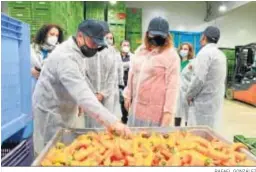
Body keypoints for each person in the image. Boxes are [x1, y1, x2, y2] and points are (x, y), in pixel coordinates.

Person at [33, 19, 131, 154]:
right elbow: (83, 94)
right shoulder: (65, 57)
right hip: (51, 112)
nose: (95, 48)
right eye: (93, 43)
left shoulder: (78, 52)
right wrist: (113, 122)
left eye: (98, 44)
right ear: (80, 36)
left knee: (66, 151)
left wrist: (79, 101)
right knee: (50, 152)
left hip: (65, 107)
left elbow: (80, 81)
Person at [123, 17, 180, 127]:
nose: (157, 38)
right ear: (147, 34)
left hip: (155, 112)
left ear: (167, 36)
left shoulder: (171, 56)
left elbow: (172, 88)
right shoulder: (141, 51)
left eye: (160, 36)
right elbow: (132, 73)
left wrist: (168, 114)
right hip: (136, 108)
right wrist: (127, 95)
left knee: (151, 141)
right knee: (134, 141)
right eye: (154, 35)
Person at [180, 26, 227, 130]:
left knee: (197, 135)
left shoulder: (204, 53)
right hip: (214, 102)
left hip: (202, 104)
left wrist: (189, 95)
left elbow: (198, 79)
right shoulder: (221, 55)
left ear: (203, 37)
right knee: (210, 131)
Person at [83, 22, 122, 128]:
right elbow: (84, 74)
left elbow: (112, 75)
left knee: (107, 124)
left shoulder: (111, 51)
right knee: (92, 124)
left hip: (108, 96)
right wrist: (93, 93)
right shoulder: (87, 50)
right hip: (91, 95)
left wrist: (103, 93)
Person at [175, 42, 195, 126]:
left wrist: (192, 93)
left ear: (189, 51)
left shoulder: (192, 63)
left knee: (187, 114)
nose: (183, 51)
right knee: (177, 112)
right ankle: (176, 130)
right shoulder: (176, 62)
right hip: (176, 91)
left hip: (186, 92)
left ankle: (187, 132)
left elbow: (194, 79)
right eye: (182, 49)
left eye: (186, 49)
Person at [119, 40, 134, 124]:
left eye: (128, 45)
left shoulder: (132, 56)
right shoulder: (117, 57)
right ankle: (122, 121)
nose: (126, 47)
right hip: (120, 85)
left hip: (129, 85)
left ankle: (128, 122)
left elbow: (133, 66)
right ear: (120, 46)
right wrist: (125, 65)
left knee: (128, 105)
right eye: (124, 45)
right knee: (121, 105)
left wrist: (122, 65)